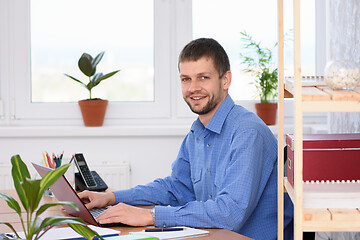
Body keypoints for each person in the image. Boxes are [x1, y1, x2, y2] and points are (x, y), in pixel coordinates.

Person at [78, 38, 294, 239]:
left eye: (203, 77)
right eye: (186, 79)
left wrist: (152, 216)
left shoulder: (247, 131)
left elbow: (230, 212)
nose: (193, 88)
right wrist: (112, 197)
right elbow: (175, 188)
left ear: (225, 80)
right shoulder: (198, 131)